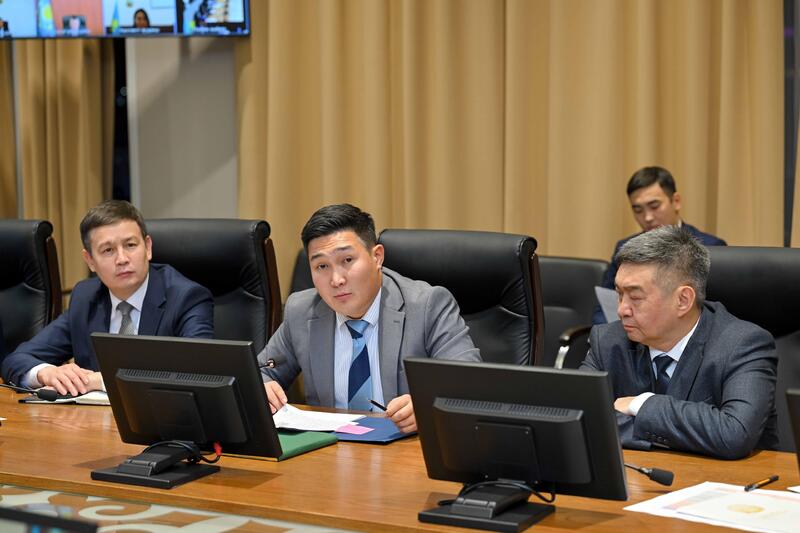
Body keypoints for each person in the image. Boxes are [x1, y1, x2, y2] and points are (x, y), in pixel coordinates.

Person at [259, 203, 481, 433]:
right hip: (330, 449)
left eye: (347, 260)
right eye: (322, 266)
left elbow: (470, 381)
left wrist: (426, 404)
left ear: (377, 257)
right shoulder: (302, 311)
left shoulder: (427, 306)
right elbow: (260, 371)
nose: (336, 280)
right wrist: (263, 387)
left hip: (405, 449)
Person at [580, 226, 777, 459]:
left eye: (635, 297)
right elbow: (578, 416)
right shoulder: (607, 341)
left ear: (683, 300)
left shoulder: (743, 345)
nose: (622, 310)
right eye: (620, 294)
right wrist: (683, 435)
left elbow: (733, 433)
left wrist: (641, 405)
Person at [0, 200, 214, 396]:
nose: (122, 259)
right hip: (92, 421)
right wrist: (45, 372)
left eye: (130, 245)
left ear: (148, 248)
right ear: (90, 261)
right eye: (108, 250)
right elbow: (15, 360)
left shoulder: (186, 298)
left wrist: (98, 381)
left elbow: (199, 371)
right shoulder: (85, 298)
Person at [593, 166, 726, 324]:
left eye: (654, 206)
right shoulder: (625, 248)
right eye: (638, 210)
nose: (647, 217)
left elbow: (714, 311)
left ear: (676, 201)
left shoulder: (710, 247)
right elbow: (604, 307)